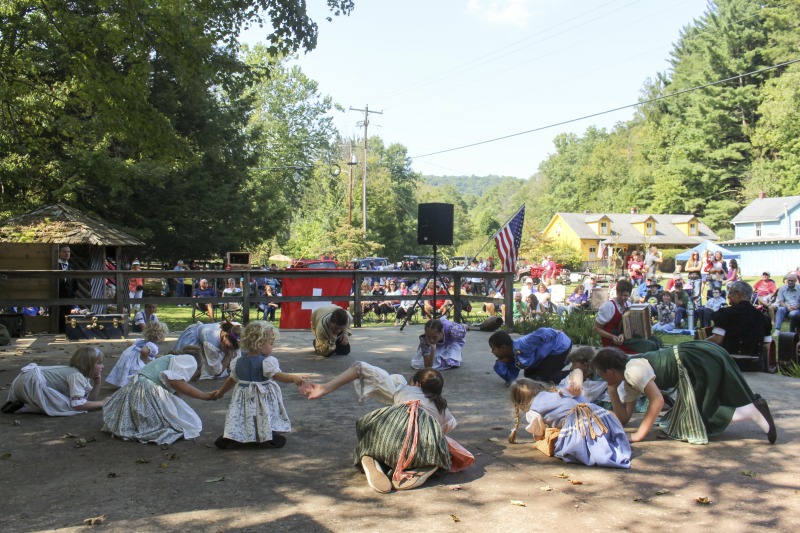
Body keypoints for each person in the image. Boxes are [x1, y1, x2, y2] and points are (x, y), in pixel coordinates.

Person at [300, 362, 471, 493]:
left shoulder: (404, 389)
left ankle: (371, 457)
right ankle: (424, 465)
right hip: (419, 450)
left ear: (416, 384)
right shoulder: (442, 407)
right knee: (441, 445)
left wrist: (324, 388)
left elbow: (360, 367)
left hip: (390, 440)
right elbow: (448, 428)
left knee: (383, 429)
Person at [592, 342, 777, 444]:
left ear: (609, 371)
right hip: (693, 362)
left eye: (601, 374)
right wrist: (612, 390)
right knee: (679, 422)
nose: (601, 377)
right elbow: (623, 418)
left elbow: (656, 401)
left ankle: (752, 412)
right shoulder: (626, 381)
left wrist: (639, 435)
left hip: (695, 360)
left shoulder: (633, 370)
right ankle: (753, 410)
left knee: (696, 420)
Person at [211, 321, 306, 450]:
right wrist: (294, 378)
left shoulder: (237, 362)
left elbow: (232, 380)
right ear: (260, 344)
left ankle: (232, 435)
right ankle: (267, 434)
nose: (273, 347)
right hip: (262, 395)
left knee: (241, 415)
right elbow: (278, 375)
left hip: (243, 396)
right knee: (263, 413)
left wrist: (220, 392)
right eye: (271, 343)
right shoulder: (267, 362)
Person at [507, 375, 631, 468]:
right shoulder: (558, 391)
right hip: (595, 412)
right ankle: (612, 445)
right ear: (538, 386)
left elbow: (539, 435)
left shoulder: (533, 410)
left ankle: (598, 453)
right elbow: (579, 398)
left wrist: (540, 438)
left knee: (572, 444)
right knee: (595, 431)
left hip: (577, 420)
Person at [101, 347, 218, 445]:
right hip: (148, 392)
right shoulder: (190, 360)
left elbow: (177, 392)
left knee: (183, 415)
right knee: (189, 424)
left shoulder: (169, 361)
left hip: (136, 391)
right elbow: (176, 383)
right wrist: (205, 396)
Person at [2, 347, 107, 416]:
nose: (102, 366)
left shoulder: (74, 373)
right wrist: (102, 403)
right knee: (67, 405)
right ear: (88, 365)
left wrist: (97, 384)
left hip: (22, 382)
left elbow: (89, 400)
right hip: (32, 383)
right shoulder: (77, 376)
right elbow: (79, 405)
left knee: (64, 400)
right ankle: (25, 408)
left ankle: (22, 405)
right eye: (100, 363)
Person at [707, 281, 772, 367]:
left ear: (738, 294)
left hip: (731, 365)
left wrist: (698, 343)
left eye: (730, 293)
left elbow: (717, 339)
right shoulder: (763, 317)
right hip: (756, 365)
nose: (728, 296)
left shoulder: (725, 313)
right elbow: (767, 346)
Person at [489, 328, 572, 384]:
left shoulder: (523, 344)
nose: (492, 352)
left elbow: (543, 332)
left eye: (494, 349)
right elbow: (511, 378)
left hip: (561, 347)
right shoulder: (511, 355)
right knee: (528, 375)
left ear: (503, 348)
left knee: (542, 380)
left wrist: (556, 333)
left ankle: (575, 372)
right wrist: (500, 364)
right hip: (546, 353)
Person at [594, 279, 655, 354]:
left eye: (625, 295)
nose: (623, 298)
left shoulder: (628, 305)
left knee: (652, 341)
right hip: (611, 342)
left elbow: (628, 326)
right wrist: (612, 337)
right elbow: (596, 328)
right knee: (647, 346)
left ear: (629, 295)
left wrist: (622, 334)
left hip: (624, 339)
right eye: (620, 295)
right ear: (617, 293)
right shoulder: (609, 307)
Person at [106, 321, 169, 388]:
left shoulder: (140, 341)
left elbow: (130, 344)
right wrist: (145, 359)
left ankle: (125, 383)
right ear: (159, 336)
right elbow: (144, 351)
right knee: (139, 372)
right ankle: (135, 385)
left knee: (128, 371)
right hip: (138, 360)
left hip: (129, 358)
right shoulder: (152, 346)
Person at [174, 320, 241, 379]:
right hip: (193, 340)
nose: (229, 350)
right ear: (225, 336)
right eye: (228, 347)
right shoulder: (211, 342)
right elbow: (217, 372)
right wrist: (227, 354)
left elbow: (238, 355)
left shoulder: (233, 330)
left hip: (206, 337)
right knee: (193, 369)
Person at [56, 245, 75, 333]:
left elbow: (74, 282)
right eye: (64, 252)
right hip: (57, 294)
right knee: (58, 315)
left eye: (68, 252)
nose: (67, 254)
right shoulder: (55, 265)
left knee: (68, 314)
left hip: (69, 295)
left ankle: (67, 331)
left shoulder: (71, 266)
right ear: (59, 253)